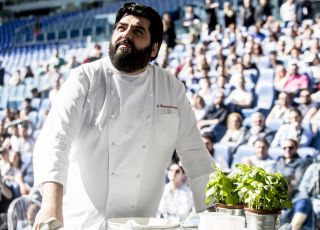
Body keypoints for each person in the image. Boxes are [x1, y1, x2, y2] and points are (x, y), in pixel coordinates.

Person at [33, 3, 215, 229]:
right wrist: (50, 206)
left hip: (142, 223)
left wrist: (215, 214)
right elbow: (54, 141)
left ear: (154, 49)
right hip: (83, 222)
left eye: (138, 31)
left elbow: (194, 153)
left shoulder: (171, 87)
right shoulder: (85, 78)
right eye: (121, 28)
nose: (126, 34)